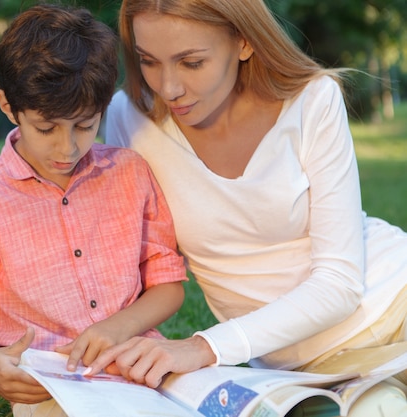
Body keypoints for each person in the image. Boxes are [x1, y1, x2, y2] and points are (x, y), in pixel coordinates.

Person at [84, 0, 407, 415]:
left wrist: (206, 346)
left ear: (243, 41)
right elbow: (121, 258)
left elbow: (339, 284)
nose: (169, 87)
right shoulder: (129, 118)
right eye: (149, 62)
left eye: (192, 62)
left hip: (392, 297)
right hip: (300, 366)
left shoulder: (312, 100)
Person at [0, 4, 187, 417]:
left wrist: (116, 328)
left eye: (86, 125)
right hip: (51, 384)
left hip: (142, 363)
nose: (67, 147)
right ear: (7, 106)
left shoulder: (131, 173)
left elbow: (167, 283)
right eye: (47, 128)